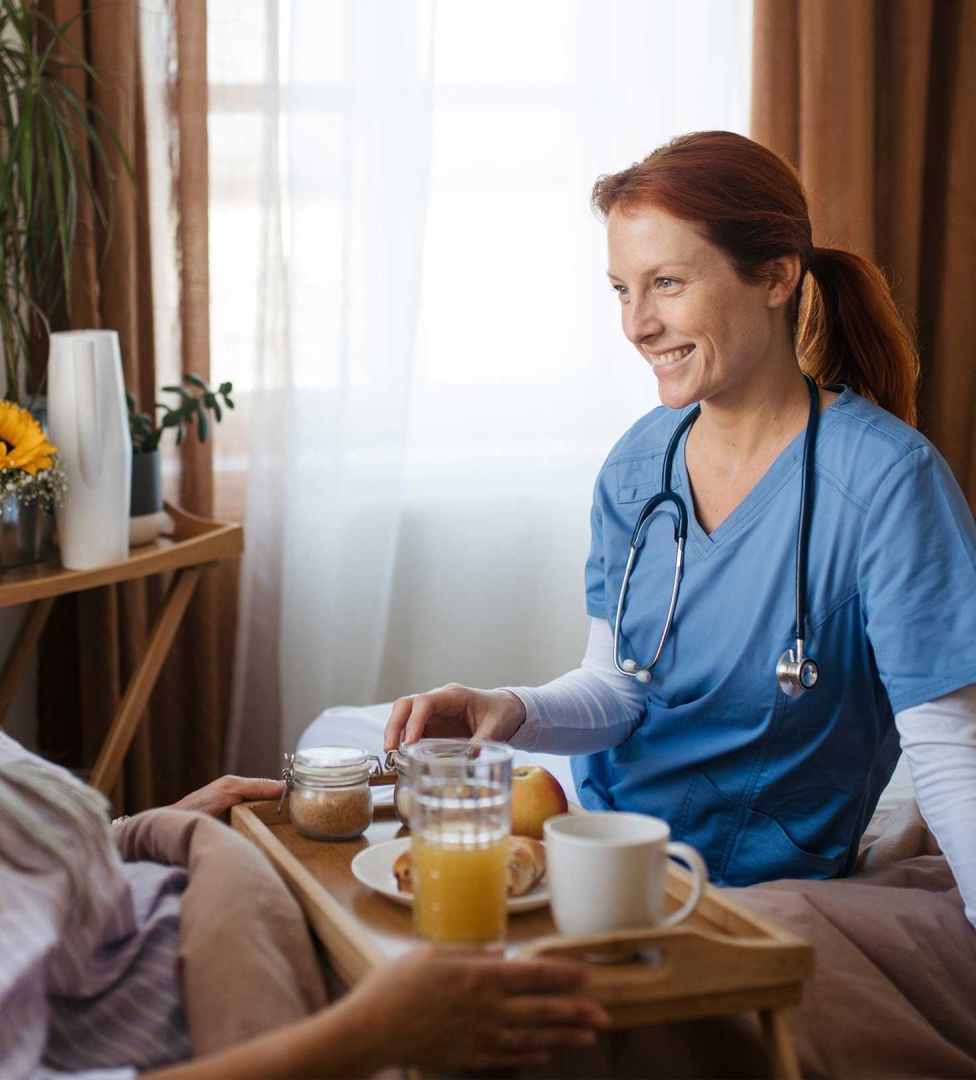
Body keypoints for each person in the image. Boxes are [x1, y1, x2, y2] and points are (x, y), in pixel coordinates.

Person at [0, 308, 609, 1079]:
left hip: (196, 928)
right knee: (596, 1006)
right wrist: (373, 1031)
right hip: (221, 1011)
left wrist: (165, 823)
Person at [382, 131, 976, 927]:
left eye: (666, 282)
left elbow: (947, 749)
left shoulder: (886, 483)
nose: (637, 325)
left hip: (745, 884)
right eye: (621, 291)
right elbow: (619, 688)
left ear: (775, 276)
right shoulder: (638, 465)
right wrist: (509, 708)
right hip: (594, 845)